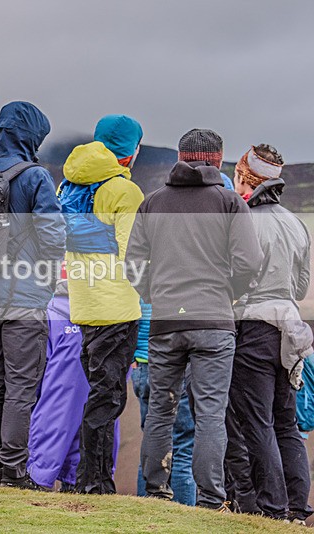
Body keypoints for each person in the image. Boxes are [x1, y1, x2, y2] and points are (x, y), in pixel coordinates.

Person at [126, 128, 263, 510]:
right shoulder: (230, 203)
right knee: (210, 415)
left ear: (180, 157)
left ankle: (156, 494)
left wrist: (154, 295)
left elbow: (133, 264)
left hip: (166, 322)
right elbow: (249, 263)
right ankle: (211, 501)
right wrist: (227, 294)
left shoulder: (153, 202)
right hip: (214, 322)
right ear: (218, 160)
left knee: (160, 411)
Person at [0, 101, 66, 490]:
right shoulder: (35, 177)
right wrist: (45, 278)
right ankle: (14, 472)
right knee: (21, 387)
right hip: (25, 301)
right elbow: (53, 236)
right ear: (31, 135)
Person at [59, 114, 144, 494]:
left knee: (97, 394)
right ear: (129, 152)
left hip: (83, 303)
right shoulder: (125, 192)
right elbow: (133, 255)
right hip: (118, 307)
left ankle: (86, 478)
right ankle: (94, 483)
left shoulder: (68, 185)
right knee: (107, 399)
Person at [227, 144, 312, 523]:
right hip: (290, 331)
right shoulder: (296, 223)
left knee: (256, 421)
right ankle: (297, 507)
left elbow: (232, 278)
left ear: (245, 177)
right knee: (286, 422)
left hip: (253, 328)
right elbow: (301, 287)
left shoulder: (243, 220)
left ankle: (272, 510)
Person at [27, 266, 121, 491]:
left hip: (75, 307)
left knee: (64, 403)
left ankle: (45, 477)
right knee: (88, 403)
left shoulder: (52, 311)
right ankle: (70, 477)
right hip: (100, 312)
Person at [131, 299, 197, 506]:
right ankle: (184, 514)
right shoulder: (182, 290)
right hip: (175, 366)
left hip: (143, 366)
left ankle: (147, 509)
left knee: (152, 440)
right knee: (183, 446)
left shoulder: (142, 287)